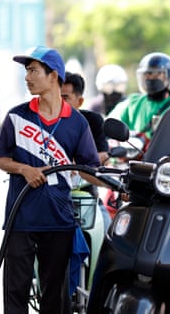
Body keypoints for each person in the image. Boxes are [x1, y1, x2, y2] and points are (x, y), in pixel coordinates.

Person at [0, 46, 100, 314]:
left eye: (33, 71)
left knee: (55, 295)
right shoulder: (17, 116)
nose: (27, 77)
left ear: (53, 76)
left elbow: (89, 168)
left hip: (59, 220)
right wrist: (23, 169)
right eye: (26, 71)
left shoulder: (77, 123)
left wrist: (120, 189)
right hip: (21, 219)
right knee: (15, 293)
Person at [61, 71, 112, 231]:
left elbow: (103, 154)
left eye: (65, 98)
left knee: (110, 236)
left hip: (86, 194)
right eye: (55, 96)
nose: (58, 103)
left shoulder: (92, 120)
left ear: (80, 101)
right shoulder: (40, 122)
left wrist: (75, 165)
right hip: (51, 198)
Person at [107, 52, 170, 139]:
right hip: (134, 151)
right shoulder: (133, 103)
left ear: (169, 76)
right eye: (146, 75)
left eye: (156, 74)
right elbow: (111, 121)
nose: (149, 79)